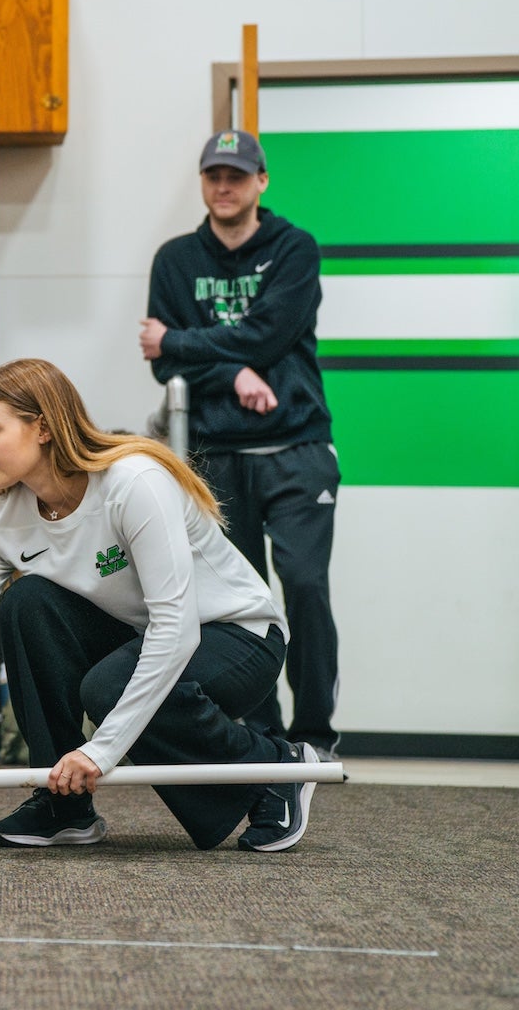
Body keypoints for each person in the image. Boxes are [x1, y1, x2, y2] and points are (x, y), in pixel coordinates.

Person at [0, 359, 321, 853]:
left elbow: (176, 630)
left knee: (108, 687)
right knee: (29, 601)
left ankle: (275, 769)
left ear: (41, 427)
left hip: (239, 637)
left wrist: (101, 752)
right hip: (139, 637)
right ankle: (63, 805)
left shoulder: (134, 483)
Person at [139, 129, 341, 758]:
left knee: (304, 586)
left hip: (296, 448)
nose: (223, 187)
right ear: (203, 183)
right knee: (239, 606)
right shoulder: (175, 259)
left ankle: (314, 736)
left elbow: (266, 335)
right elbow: (161, 371)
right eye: (213, 176)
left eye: (236, 176)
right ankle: (265, 736)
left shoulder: (293, 249)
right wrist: (233, 371)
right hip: (214, 456)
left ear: (261, 182)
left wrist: (178, 341)